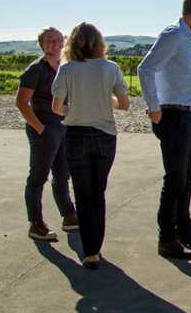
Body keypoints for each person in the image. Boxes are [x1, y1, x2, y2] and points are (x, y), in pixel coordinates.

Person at [138, 0, 191, 260]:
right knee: (175, 179)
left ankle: (184, 230)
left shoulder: (184, 37)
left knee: (187, 177)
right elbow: (145, 69)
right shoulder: (173, 35)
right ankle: (167, 238)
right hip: (172, 115)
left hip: (185, 114)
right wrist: (154, 107)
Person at [51, 22, 130, 269]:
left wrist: (75, 108)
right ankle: (97, 243)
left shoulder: (66, 69)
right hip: (105, 135)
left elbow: (56, 108)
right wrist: (105, 100)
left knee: (83, 194)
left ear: (71, 43)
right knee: (98, 193)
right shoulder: (111, 68)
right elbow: (124, 104)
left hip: (76, 135)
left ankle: (91, 251)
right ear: (99, 43)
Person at [16, 27, 77, 241]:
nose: (56, 44)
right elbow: (22, 103)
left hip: (63, 127)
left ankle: (69, 216)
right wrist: (40, 128)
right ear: (42, 44)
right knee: (38, 177)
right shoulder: (35, 70)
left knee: (62, 174)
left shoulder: (65, 67)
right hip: (44, 128)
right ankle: (36, 223)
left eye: (60, 40)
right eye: (50, 41)